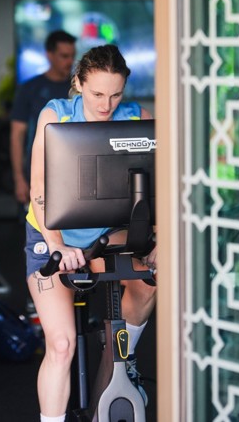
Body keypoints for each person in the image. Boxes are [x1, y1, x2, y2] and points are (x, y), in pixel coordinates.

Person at [24, 44, 156, 422]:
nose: (106, 104)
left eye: (115, 94)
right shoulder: (56, 115)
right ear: (79, 83)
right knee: (62, 345)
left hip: (109, 236)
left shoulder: (136, 119)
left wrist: (159, 239)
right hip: (51, 237)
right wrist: (57, 245)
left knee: (148, 283)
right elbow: (39, 186)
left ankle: (116, 369)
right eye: (97, 94)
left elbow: (157, 186)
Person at [10, 30, 77, 205]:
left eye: (72, 56)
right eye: (64, 56)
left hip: (73, 175)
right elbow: (17, 135)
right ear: (49, 55)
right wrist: (19, 179)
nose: (70, 61)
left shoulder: (80, 89)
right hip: (36, 174)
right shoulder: (29, 89)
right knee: (35, 229)